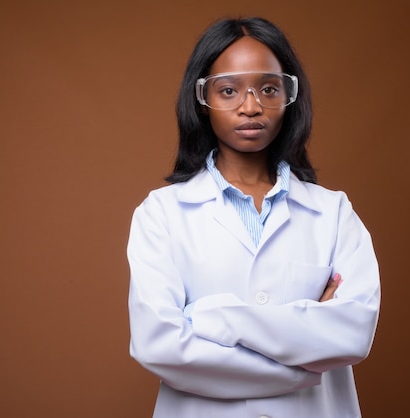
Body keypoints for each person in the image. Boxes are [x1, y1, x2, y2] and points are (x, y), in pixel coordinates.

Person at [126, 16, 380, 418]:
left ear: (289, 96)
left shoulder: (333, 213)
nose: (251, 106)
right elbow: (160, 346)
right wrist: (301, 351)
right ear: (202, 100)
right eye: (229, 90)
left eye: (268, 89)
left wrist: (210, 317)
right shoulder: (161, 214)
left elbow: (352, 334)